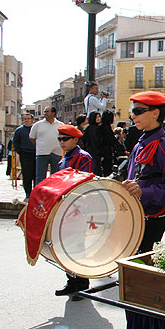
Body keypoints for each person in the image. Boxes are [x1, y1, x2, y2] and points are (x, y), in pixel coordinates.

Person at [112, 91, 165, 329]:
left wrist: (144, 190)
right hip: (133, 222)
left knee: (142, 293)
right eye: (134, 111)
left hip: (151, 225)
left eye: (139, 111)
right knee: (131, 291)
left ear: (156, 113)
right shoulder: (141, 140)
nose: (133, 115)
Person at [53, 124, 94, 300]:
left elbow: (83, 182)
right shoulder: (64, 158)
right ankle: (71, 280)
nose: (62, 142)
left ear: (75, 139)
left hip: (78, 207)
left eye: (65, 139)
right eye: (59, 139)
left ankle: (82, 284)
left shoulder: (82, 157)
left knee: (78, 246)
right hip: (65, 208)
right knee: (65, 245)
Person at [29, 106, 64, 186]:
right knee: (40, 177)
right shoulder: (38, 125)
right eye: (44, 111)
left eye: (47, 111)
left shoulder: (60, 125)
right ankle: (39, 195)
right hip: (42, 153)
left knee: (56, 176)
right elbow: (32, 137)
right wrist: (40, 145)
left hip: (56, 153)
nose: (45, 113)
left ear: (53, 113)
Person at [12, 113, 37, 201]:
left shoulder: (36, 129)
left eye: (28, 118)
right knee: (26, 175)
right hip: (25, 155)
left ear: (32, 119)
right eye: (24, 119)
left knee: (36, 174)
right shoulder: (19, 130)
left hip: (36, 154)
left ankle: (36, 193)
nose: (26, 120)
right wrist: (21, 152)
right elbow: (15, 142)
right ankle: (28, 193)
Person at [82, 111, 103, 175]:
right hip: (94, 153)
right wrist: (100, 154)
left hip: (90, 152)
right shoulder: (94, 129)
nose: (98, 118)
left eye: (99, 116)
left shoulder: (89, 128)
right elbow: (95, 142)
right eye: (96, 117)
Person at [100, 110, 116, 177]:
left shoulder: (102, 127)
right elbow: (111, 139)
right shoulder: (106, 128)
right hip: (106, 150)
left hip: (104, 149)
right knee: (107, 167)